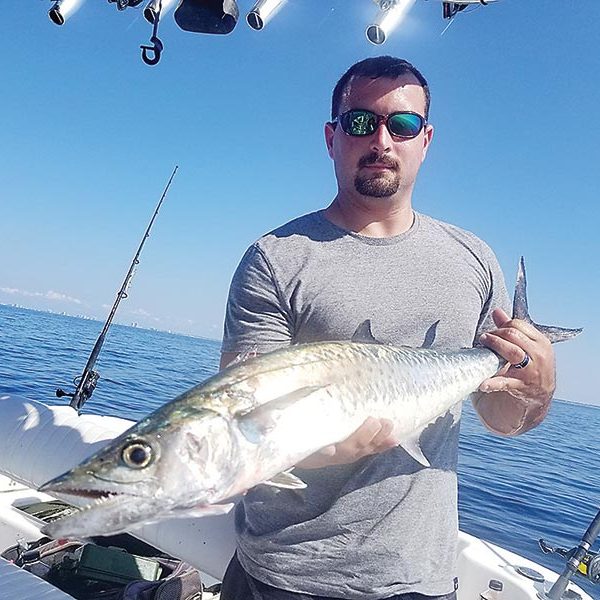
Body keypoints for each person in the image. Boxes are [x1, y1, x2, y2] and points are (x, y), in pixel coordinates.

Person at [218, 56, 556, 600]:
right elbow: (244, 421)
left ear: (426, 140)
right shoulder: (275, 259)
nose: (381, 140)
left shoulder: (473, 259)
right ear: (331, 137)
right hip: (282, 572)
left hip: (417, 577)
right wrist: (329, 446)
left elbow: (501, 414)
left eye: (401, 125)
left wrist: (536, 390)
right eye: (360, 122)